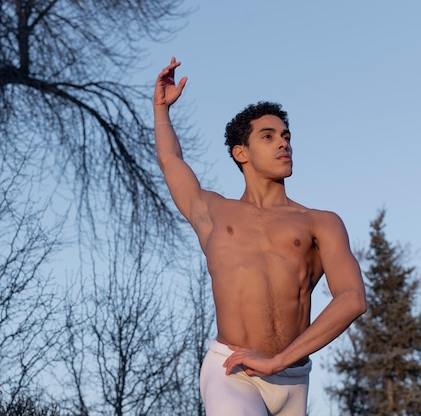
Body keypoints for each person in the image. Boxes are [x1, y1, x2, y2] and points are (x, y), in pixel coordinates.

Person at [153, 57, 367, 415]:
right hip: (232, 371)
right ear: (241, 153)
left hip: (294, 376)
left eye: (286, 136)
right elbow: (171, 160)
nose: (283, 143)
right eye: (268, 137)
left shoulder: (321, 222)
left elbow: (353, 299)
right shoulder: (214, 213)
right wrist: (161, 109)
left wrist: (280, 360)